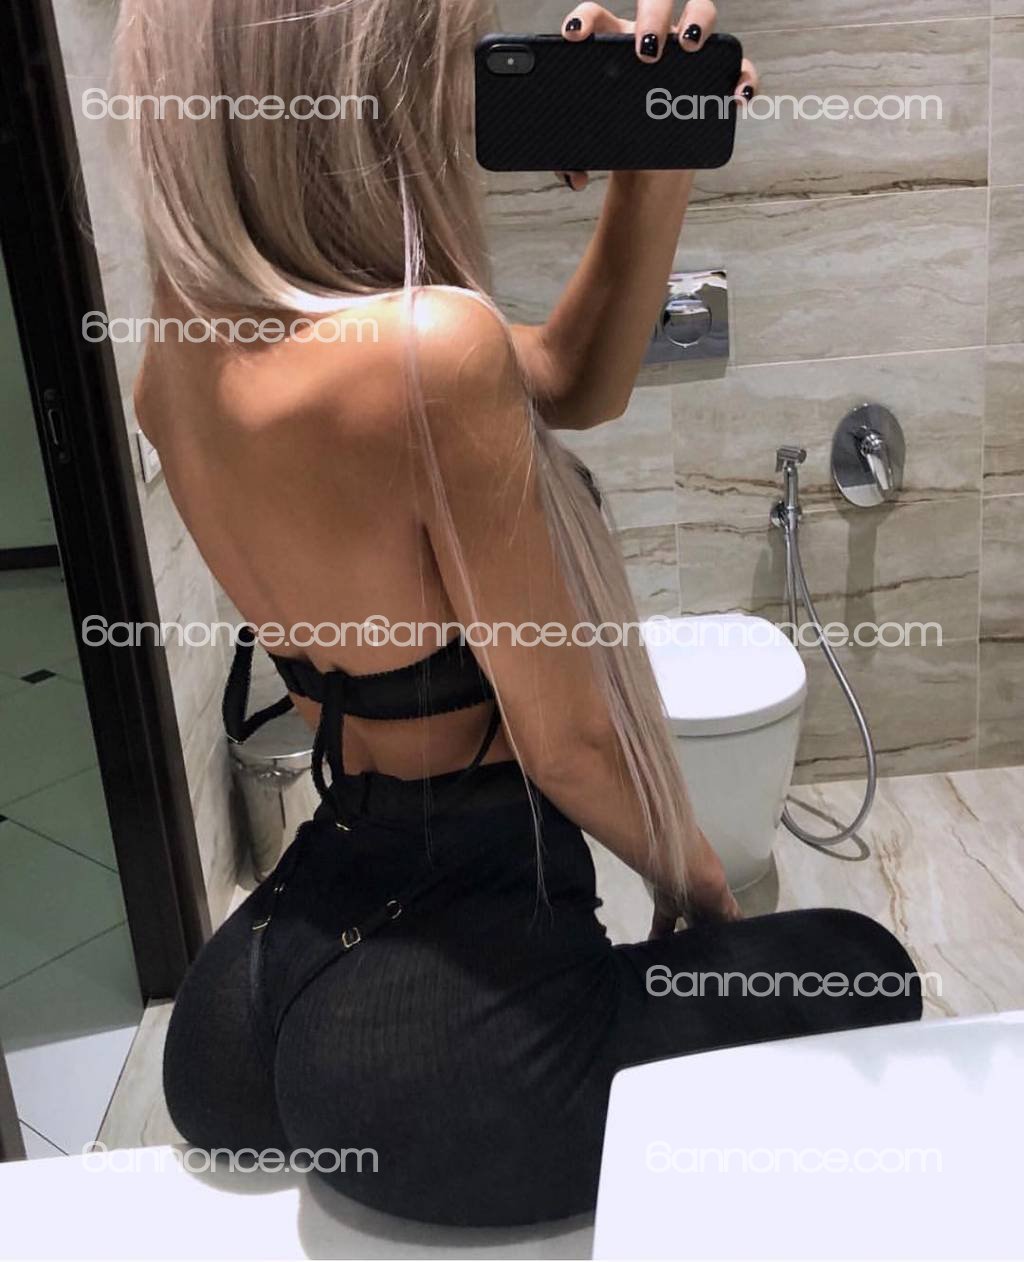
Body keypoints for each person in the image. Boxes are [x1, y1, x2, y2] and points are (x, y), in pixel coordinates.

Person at [117, 0, 922, 1226]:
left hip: (277, 965)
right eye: (442, 57)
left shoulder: (175, 355)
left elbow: (571, 380)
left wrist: (652, 161)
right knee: (865, 968)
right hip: (442, 1020)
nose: (453, 93)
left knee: (232, 1093)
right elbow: (573, 744)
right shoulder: (425, 352)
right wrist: (707, 905)